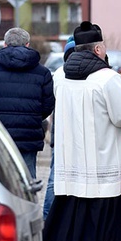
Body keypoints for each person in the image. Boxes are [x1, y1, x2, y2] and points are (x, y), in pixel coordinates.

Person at [42, 21, 121, 241]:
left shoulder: (59, 76)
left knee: (74, 219)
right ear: (99, 49)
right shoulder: (107, 79)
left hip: (70, 163)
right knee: (101, 224)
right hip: (102, 163)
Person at [0, 27, 55, 179]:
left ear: (4, 44)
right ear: (28, 45)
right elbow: (48, 105)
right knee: (28, 180)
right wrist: (32, 116)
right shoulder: (42, 73)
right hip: (28, 135)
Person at [42, 37, 75, 220]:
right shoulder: (64, 76)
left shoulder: (58, 75)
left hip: (59, 137)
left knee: (55, 178)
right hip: (67, 137)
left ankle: (48, 217)